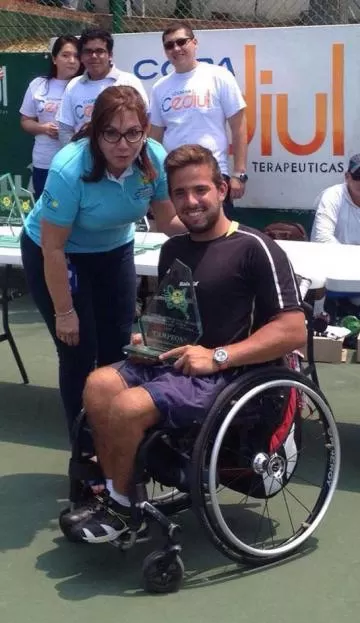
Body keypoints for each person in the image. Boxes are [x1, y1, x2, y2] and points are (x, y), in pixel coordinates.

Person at [62, 144, 307, 543]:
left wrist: (217, 356)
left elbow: (293, 331)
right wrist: (154, 334)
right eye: (179, 193)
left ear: (222, 189)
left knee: (128, 406)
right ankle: (117, 492)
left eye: (200, 190)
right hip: (174, 365)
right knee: (98, 384)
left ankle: (122, 509)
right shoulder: (174, 249)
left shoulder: (255, 248)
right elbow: (178, 316)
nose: (190, 202)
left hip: (231, 376)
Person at [20, 85, 184, 439]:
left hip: (114, 252)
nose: (122, 145)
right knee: (78, 352)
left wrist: (219, 234)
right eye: (111, 133)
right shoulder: (69, 168)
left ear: (145, 131)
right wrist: (65, 312)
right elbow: (52, 248)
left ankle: (115, 441)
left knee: (117, 348)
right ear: (96, 132)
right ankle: (84, 455)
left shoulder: (153, 158)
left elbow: (169, 223)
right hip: (59, 255)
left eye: (133, 133)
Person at [149, 20, 248, 218]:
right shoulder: (160, 88)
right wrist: (152, 179)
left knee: (219, 237)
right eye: (169, 45)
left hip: (213, 172)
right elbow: (154, 138)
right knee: (177, 237)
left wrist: (239, 174)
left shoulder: (219, 76)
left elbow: (239, 126)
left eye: (181, 42)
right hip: (173, 176)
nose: (176, 48)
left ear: (195, 43)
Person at [57, 28, 148, 147]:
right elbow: (65, 129)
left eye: (100, 51)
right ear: (82, 56)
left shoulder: (129, 82)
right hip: (85, 160)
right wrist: (74, 158)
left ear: (110, 55)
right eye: (88, 51)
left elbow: (146, 120)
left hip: (124, 156)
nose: (94, 56)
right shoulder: (73, 86)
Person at [19, 35, 81, 200]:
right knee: (46, 212)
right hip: (44, 162)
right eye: (65, 55)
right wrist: (43, 128)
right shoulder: (38, 85)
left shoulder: (85, 86)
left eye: (76, 56)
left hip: (78, 163)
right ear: (54, 58)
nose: (72, 60)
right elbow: (25, 121)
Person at [311, 154, 360, 244]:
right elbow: (322, 238)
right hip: (333, 256)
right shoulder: (332, 195)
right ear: (347, 177)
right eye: (358, 176)